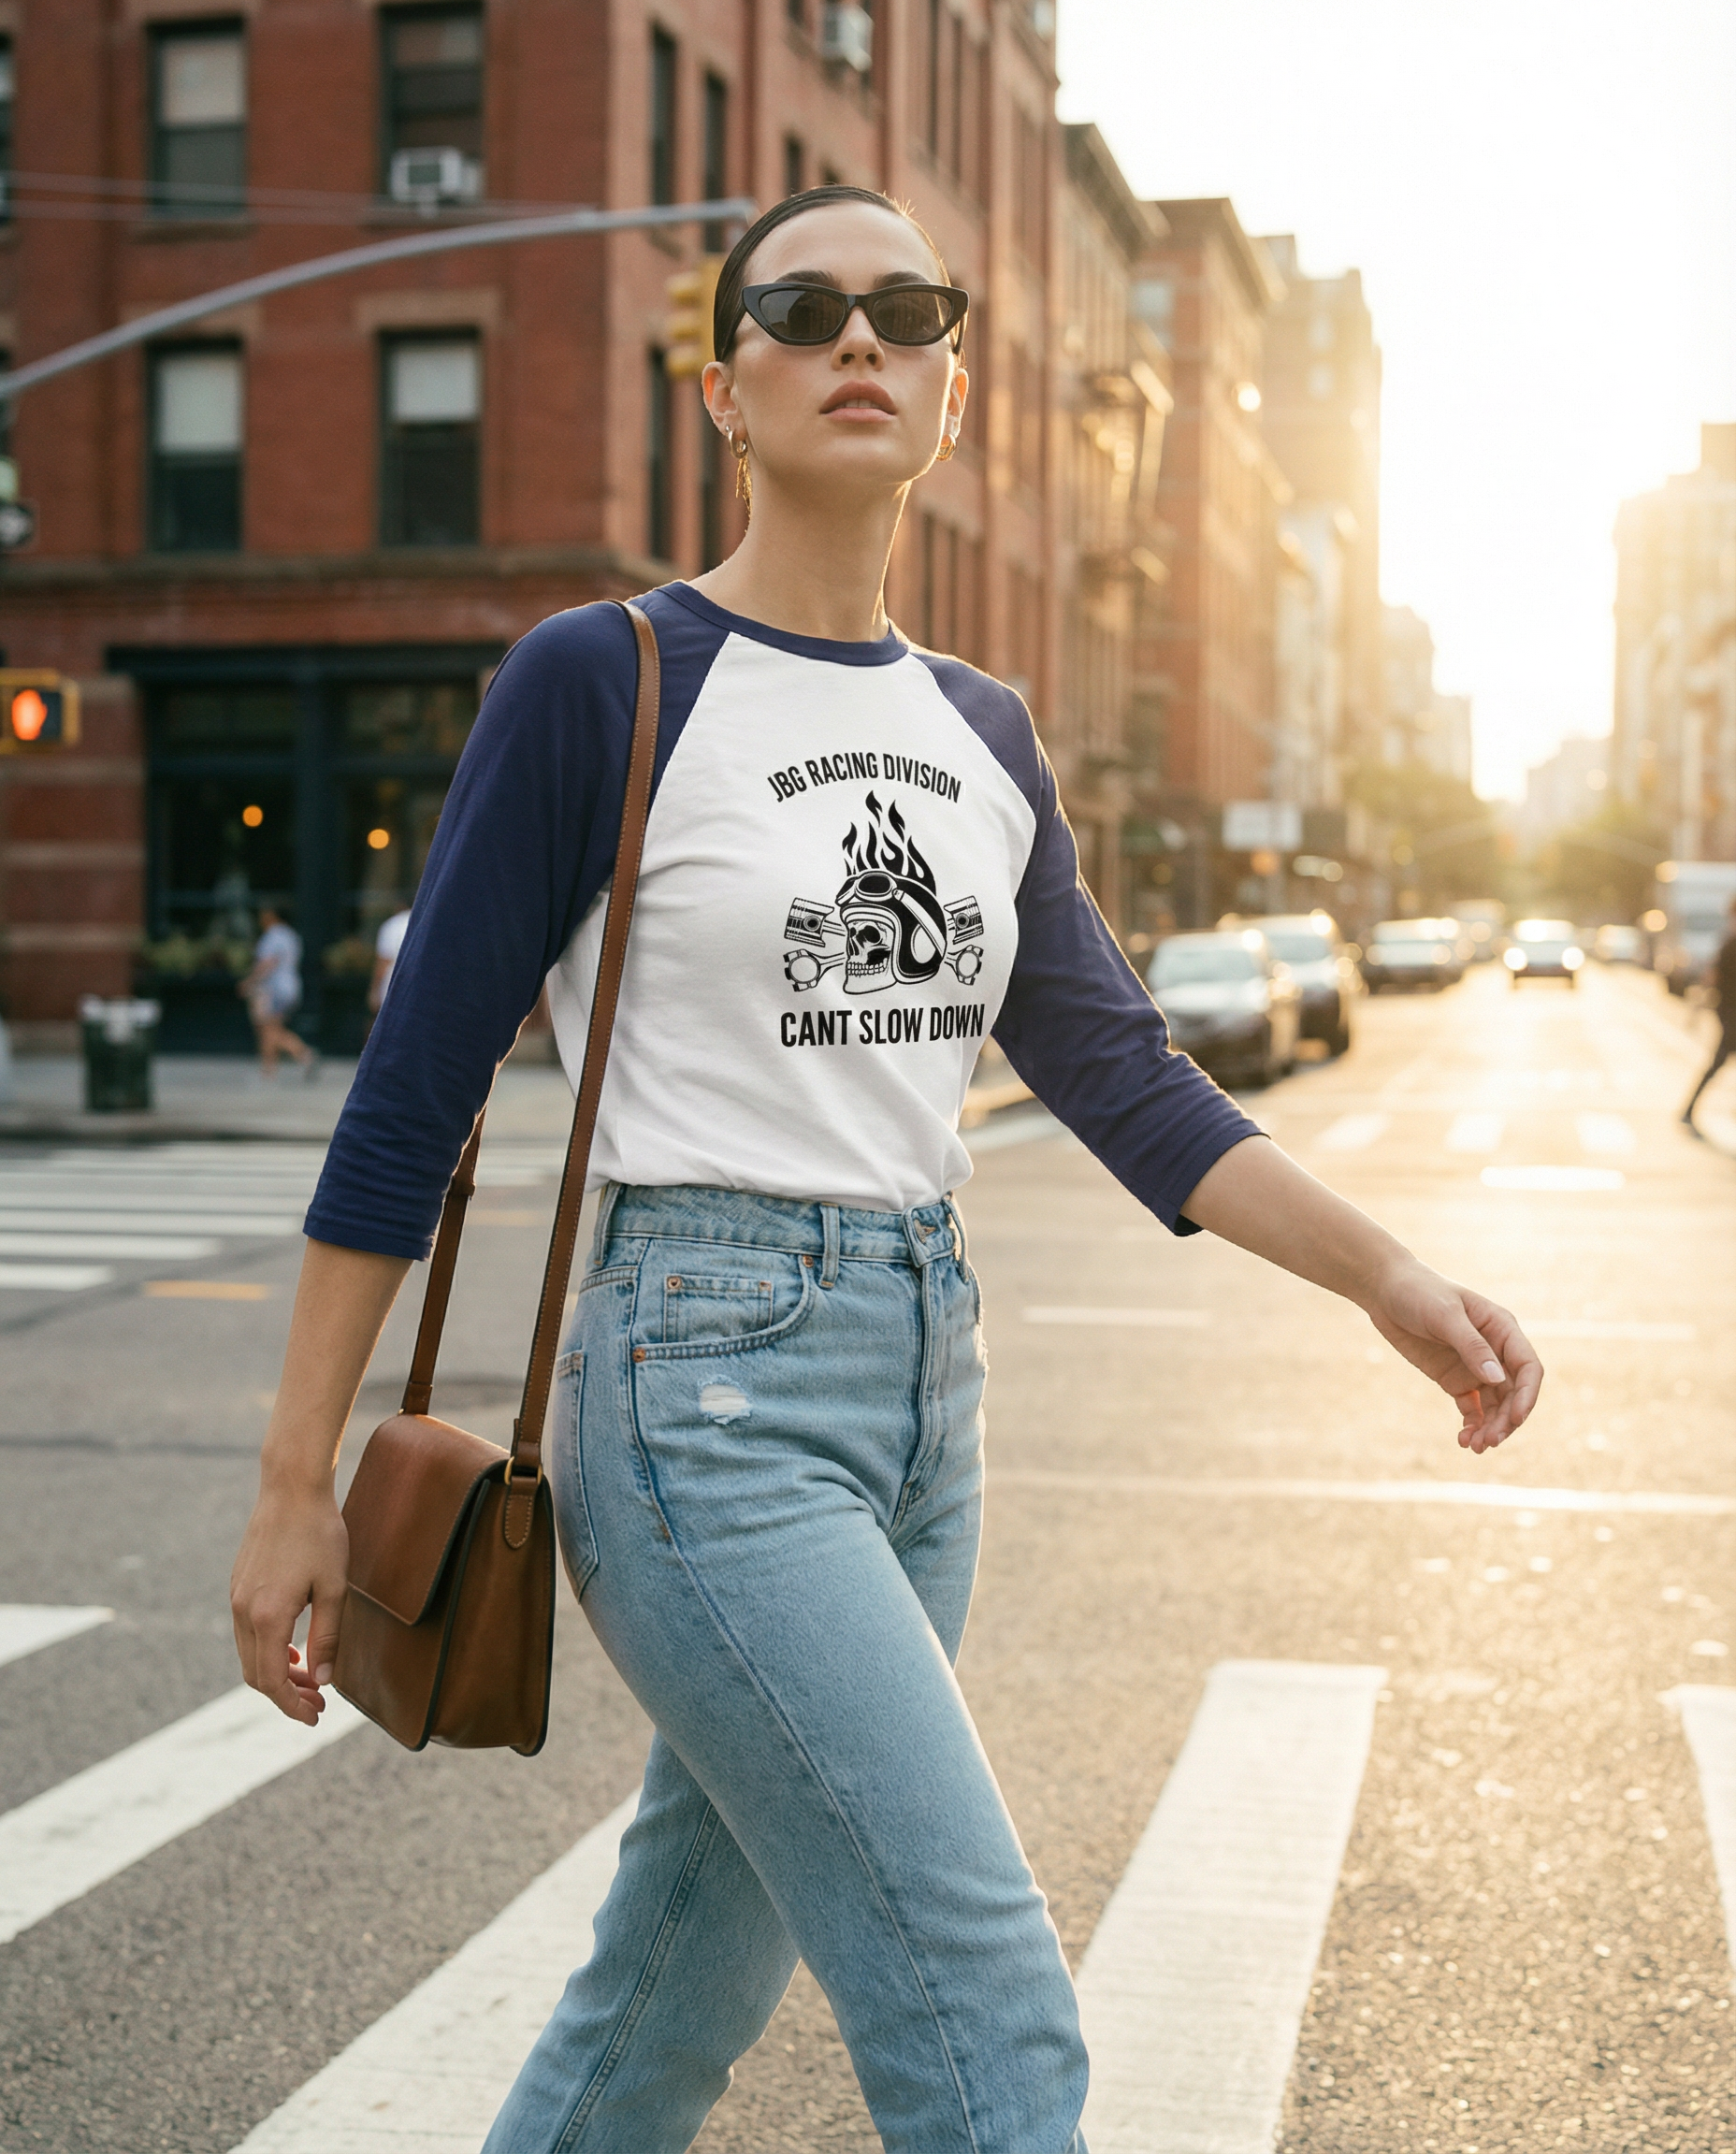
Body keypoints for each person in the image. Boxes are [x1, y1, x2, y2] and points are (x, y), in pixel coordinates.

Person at [229, 188, 1542, 2154]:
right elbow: (413, 1096)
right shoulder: (605, 678)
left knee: (670, 1994)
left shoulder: (981, 731)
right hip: (706, 1393)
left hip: (928, 1399)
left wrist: (1387, 1280)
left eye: (903, 309)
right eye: (803, 308)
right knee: (987, 2007)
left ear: (948, 393)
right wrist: (286, 1487)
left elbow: (1125, 1080)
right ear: (725, 387)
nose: (858, 336)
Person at [238, 905, 317, 1080]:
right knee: (273, 1027)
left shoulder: (272, 936)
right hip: (291, 986)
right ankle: (272, 1068)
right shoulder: (290, 935)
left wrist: (249, 982)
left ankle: (302, 1055)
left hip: (274, 989)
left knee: (267, 1028)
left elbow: (268, 962)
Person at [1682, 892, 1736, 1131]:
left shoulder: (1727, 942)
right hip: (1730, 1014)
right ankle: (1689, 1109)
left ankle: (1689, 1109)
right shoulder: (1729, 944)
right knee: (1718, 1062)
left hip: (1727, 1012)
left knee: (1718, 1062)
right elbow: (1711, 978)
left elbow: (1709, 978)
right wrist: (1695, 1010)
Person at [368, 905, 412, 1016]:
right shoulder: (430, 923)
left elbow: (383, 962)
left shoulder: (393, 924)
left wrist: (374, 991)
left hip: (393, 990)